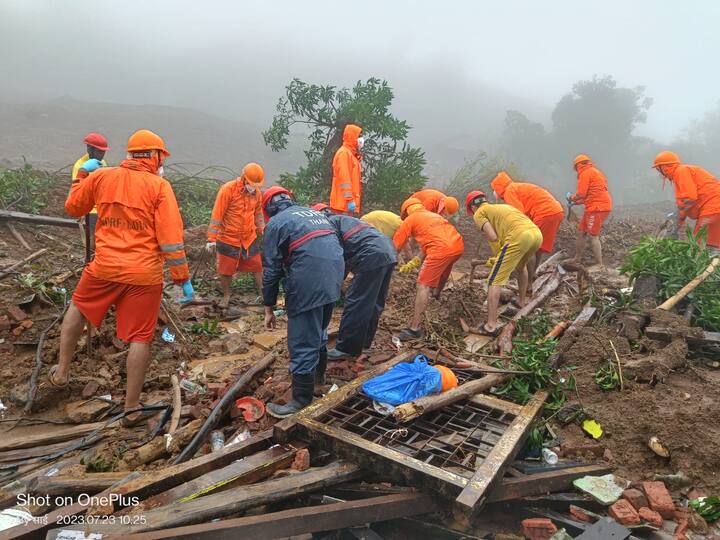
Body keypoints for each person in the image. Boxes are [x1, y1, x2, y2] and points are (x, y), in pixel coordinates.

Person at [51, 129, 193, 426]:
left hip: (104, 267)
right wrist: (182, 277)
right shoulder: (160, 187)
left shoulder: (103, 177)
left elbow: (73, 207)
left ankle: (61, 373)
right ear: (154, 156)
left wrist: (81, 178)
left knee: (78, 306)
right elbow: (170, 239)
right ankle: (130, 408)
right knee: (140, 337)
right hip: (144, 274)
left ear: (130, 154)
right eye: (160, 157)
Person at [262, 188, 344, 418]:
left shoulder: (277, 223)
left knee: (301, 341)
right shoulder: (313, 214)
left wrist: (268, 307)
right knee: (318, 330)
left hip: (308, 281)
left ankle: (300, 400)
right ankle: (319, 378)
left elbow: (271, 270)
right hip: (333, 277)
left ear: (268, 208)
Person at [311, 203, 397, 359]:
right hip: (388, 251)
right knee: (374, 301)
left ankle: (347, 348)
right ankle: (364, 341)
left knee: (356, 301)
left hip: (371, 255)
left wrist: (334, 286)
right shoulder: (345, 220)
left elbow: (337, 257)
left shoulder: (329, 226)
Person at [466, 191, 542, 336]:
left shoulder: (479, 213)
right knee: (521, 267)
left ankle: (491, 326)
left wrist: (497, 256)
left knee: (494, 280)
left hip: (518, 237)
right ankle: (521, 302)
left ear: (472, 207)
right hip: (536, 235)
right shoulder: (500, 207)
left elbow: (493, 236)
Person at [392, 198, 464, 341]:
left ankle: (414, 329)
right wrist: (413, 263)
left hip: (440, 250)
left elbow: (395, 247)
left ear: (406, 211)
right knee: (444, 271)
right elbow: (426, 248)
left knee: (423, 285)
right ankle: (437, 295)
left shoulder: (410, 219)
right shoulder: (433, 216)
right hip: (457, 246)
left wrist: (389, 264)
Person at [206, 163, 266, 308]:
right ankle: (226, 296)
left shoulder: (257, 193)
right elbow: (217, 214)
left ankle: (264, 295)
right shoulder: (228, 190)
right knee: (226, 270)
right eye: (252, 184)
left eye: (256, 185)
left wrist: (262, 229)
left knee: (257, 266)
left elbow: (258, 213)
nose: (254, 187)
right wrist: (211, 239)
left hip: (248, 237)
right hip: (228, 237)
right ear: (244, 178)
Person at [490, 171, 563, 283]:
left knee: (529, 248)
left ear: (499, 188)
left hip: (544, 213)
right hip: (556, 211)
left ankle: (528, 281)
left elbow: (519, 215)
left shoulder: (509, 191)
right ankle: (531, 276)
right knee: (538, 248)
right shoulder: (516, 187)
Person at [653, 151, 720, 254]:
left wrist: (677, 218)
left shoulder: (681, 171)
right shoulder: (682, 172)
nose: (659, 172)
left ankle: (708, 267)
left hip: (713, 207)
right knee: (710, 244)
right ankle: (713, 266)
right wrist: (678, 221)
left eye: (659, 168)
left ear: (665, 167)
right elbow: (686, 201)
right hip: (714, 208)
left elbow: (689, 198)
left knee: (697, 244)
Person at [568, 154, 612, 268]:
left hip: (597, 208)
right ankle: (577, 258)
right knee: (581, 232)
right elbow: (592, 194)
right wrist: (577, 202)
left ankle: (599, 264)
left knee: (593, 235)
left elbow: (581, 193)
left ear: (579, 165)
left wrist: (571, 198)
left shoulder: (585, 173)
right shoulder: (596, 172)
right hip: (595, 206)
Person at [72, 132, 109, 257]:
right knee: (91, 244)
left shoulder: (102, 163)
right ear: (89, 149)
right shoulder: (81, 166)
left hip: (103, 208)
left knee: (104, 242)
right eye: (99, 151)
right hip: (90, 210)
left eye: (103, 152)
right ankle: (89, 267)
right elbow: (78, 190)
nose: (102, 154)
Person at [330, 124, 363, 215]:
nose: (361, 139)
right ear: (352, 136)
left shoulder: (351, 154)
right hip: (342, 206)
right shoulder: (344, 153)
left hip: (346, 206)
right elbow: (344, 180)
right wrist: (349, 200)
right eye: (358, 136)